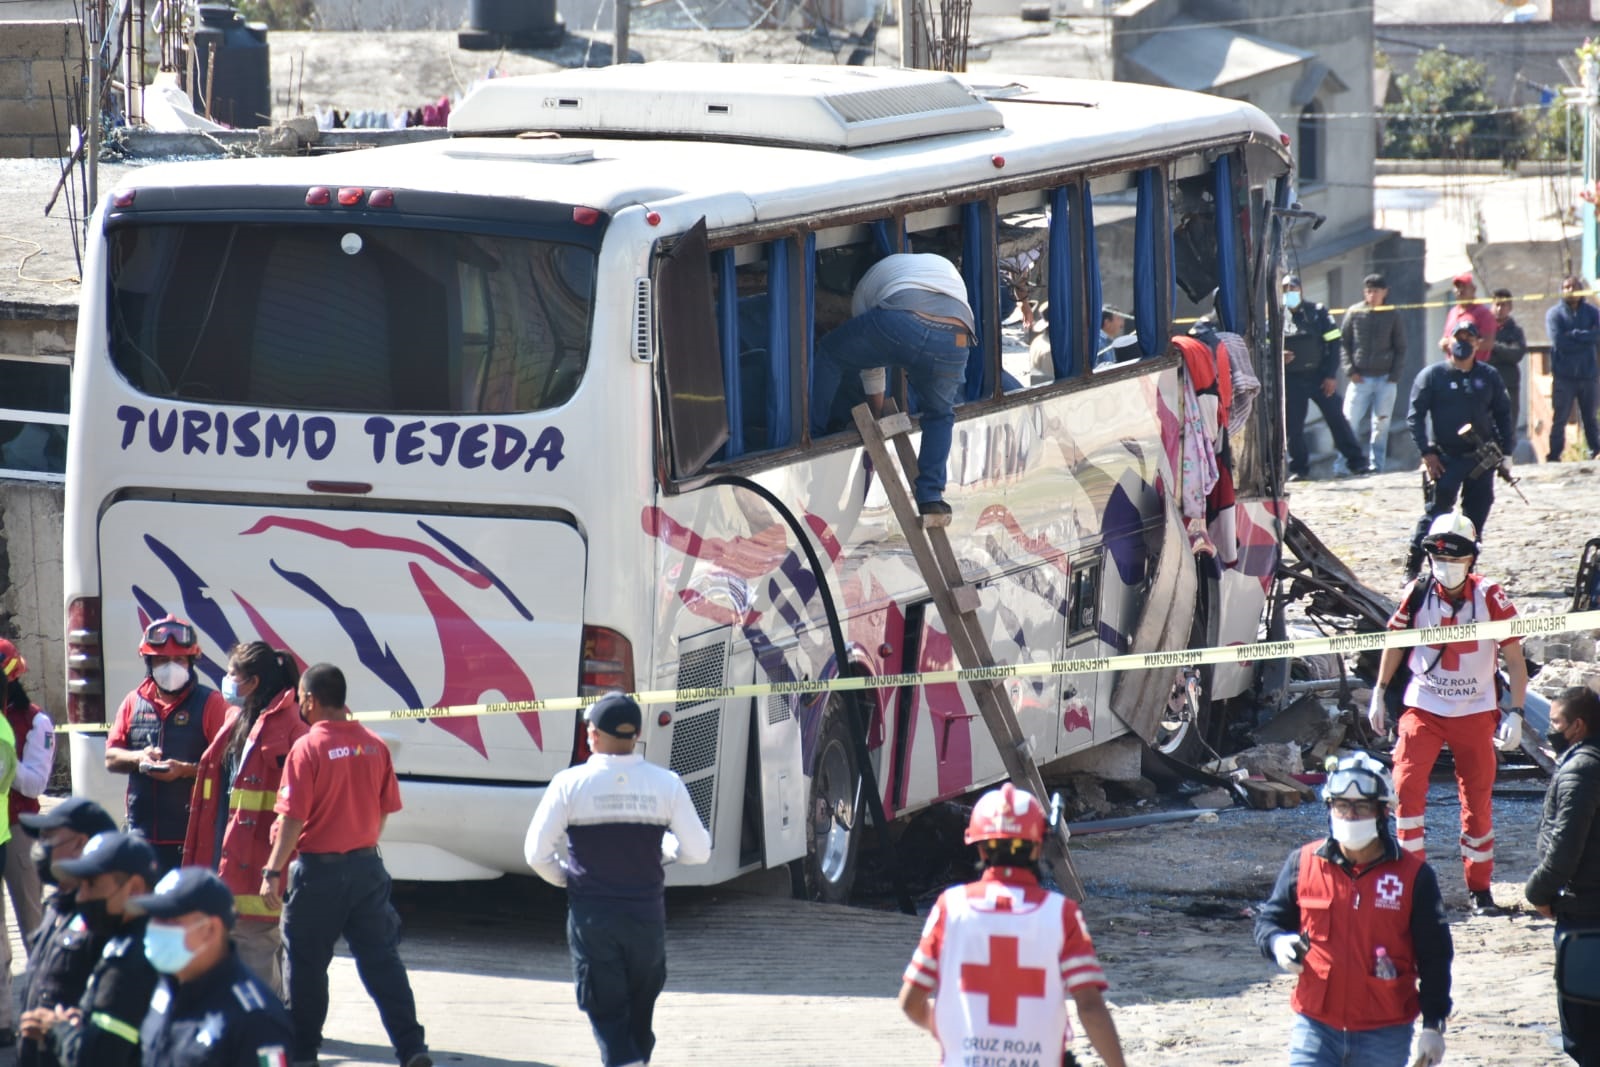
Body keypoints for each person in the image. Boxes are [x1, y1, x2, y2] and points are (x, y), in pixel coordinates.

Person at [524, 692, 711, 1067]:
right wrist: (666, 848)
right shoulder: (667, 784)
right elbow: (699, 851)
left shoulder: (569, 784)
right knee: (640, 1017)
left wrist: (568, 879)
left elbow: (536, 853)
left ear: (593, 735)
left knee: (608, 1014)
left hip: (593, 917)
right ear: (637, 734)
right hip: (646, 918)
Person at [261, 663, 430, 1067]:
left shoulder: (307, 748)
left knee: (306, 968)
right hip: (366, 869)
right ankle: (412, 1048)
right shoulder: (374, 746)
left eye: (301, 698)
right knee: (383, 963)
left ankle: (303, 1054)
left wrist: (272, 871)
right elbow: (383, 810)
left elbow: (293, 819)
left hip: (317, 874)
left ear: (310, 700)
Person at [898, 783, 1126, 1067]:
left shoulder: (950, 908)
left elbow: (910, 1003)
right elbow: (1090, 1009)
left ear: (981, 849)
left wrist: (953, 1036)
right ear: (1037, 847)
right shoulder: (1061, 914)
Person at [1369, 513, 1528, 915]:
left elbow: (1514, 658)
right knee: (1405, 790)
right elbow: (1395, 641)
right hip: (1424, 707)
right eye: (1440, 558)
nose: (1447, 566)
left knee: (1477, 801)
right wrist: (1379, 692)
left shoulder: (1490, 596)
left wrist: (1517, 711)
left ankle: (1480, 890)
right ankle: (1413, 888)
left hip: (1475, 711)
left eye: (1456, 559)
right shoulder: (1418, 592)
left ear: (1472, 559)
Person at [1254, 753, 1453, 1067]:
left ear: (1382, 812)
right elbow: (1269, 923)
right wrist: (1278, 944)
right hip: (1316, 1027)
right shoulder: (1302, 864)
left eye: (1362, 807)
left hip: (1384, 1032)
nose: (1350, 815)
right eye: (1341, 805)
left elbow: (1435, 957)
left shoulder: (1414, 876)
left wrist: (1433, 1025)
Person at [810, 252, 974, 524]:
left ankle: (813, 439)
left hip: (902, 319)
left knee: (829, 353)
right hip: (956, 335)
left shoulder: (864, 288)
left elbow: (871, 366)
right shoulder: (937, 266)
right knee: (940, 414)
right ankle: (931, 497)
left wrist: (875, 414)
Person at [184, 642, 306, 999]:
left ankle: (264, 1022)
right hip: (238, 852)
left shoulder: (289, 725)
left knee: (257, 945)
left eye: (232, 674)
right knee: (252, 944)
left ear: (252, 682)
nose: (226, 681)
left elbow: (296, 804)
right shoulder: (243, 719)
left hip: (264, 858)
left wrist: (274, 867)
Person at [20, 831, 160, 1067]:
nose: (81, 896)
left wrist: (57, 1029)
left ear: (134, 888)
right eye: (81, 885)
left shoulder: (130, 963)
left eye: (91, 885)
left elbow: (99, 1058)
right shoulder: (128, 941)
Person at [131, 866, 294, 1067]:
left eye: (169, 920)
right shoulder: (159, 988)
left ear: (210, 929)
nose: (156, 929)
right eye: (154, 919)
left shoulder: (258, 1020)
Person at [104, 615, 230, 874]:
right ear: (149, 663)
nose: (171, 667)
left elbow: (227, 766)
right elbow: (111, 758)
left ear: (191, 662)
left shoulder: (211, 703)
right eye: (162, 660)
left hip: (193, 837)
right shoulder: (133, 702)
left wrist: (184, 770)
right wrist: (139, 758)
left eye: (179, 660)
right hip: (142, 835)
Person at [1402, 324, 1514, 580]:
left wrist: (1507, 453)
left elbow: (1503, 414)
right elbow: (1414, 417)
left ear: (1478, 343)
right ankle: (1413, 565)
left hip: (1481, 459)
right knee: (1436, 513)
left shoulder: (1489, 376)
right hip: (1445, 458)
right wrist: (1426, 452)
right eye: (1458, 338)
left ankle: (1466, 569)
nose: (1463, 343)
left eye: (1469, 338)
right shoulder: (1433, 376)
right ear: (1448, 342)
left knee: (1476, 517)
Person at [1525, 686, 1600, 1065]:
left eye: (1555, 722)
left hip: (1585, 913)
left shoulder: (1581, 770)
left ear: (1577, 726)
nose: (1549, 729)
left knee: (1583, 1030)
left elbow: (1565, 847)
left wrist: (1537, 892)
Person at [16, 797, 119, 1067]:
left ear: (81, 844)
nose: (40, 848)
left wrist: (61, 1032)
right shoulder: (56, 907)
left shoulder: (104, 919)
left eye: (48, 838)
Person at [1282, 275, 1368, 480]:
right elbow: (1265, 346)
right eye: (1285, 289)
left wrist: (1330, 375)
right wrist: (1278, 354)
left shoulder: (1317, 312)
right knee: (1293, 427)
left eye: (1293, 288)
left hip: (1319, 377)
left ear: (1301, 290)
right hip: (1292, 379)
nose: (1289, 293)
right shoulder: (1276, 317)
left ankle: (1357, 463)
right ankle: (1299, 469)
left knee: (1336, 419)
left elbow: (1334, 342)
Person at [4, 637, 56, 948]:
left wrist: (5, 764)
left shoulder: (36, 721)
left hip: (18, 830)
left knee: (32, 922)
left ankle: (42, 976)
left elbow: (36, 784)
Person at [1340, 272, 1407, 473]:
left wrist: (1394, 375)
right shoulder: (1355, 312)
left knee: (1380, 424)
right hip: (1359, 378)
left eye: (1376, 291)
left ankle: (1376, 465)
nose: (1372, 295)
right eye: (1369, 291)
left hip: (1385, 379)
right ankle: (1343, 465)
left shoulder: (1392, 314)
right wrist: (1350, 370)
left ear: (1385, 292)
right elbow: (1344, 343)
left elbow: (1400, 347)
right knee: (1348, 422)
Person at [1544, 274, 1600, 462]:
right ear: (1561, 290)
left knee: (1590, 417)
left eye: (1574, 286)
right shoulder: (1554, 314)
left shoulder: (1592, 313)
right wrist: (1585, 338)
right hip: (1564, 376)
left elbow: (1597, 336)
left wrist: (1574, 334)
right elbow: (1559, 342)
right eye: (1567, 287)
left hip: (1588, 374)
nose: (1570, 290)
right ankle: (1554, 455)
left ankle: (1596, 451)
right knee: (1560, 418)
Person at [1488, 288, 1527, 434]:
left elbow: (1516, 354)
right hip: (1487, 385)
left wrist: (1494, 346)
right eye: (1497, 304)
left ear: (1510, 307)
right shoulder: (1485, 330)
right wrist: (1503, 351)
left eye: (1503, 305)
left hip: (1508, 385)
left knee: (1508, 428)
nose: (1499, 309)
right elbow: (1482, 353)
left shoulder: (1516, 332)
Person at [1438, 272, 1496, 360]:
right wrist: (1443, 343)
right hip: (1453, 365)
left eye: (1464, 286)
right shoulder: (1452, 312)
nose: (1460, 290)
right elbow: (1446, 337)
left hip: (1474, 366)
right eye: (1457, 286)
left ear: (1473, 289)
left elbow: (1488, 343)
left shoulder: (1483, 313)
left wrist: (1463, 344)